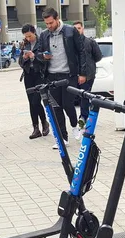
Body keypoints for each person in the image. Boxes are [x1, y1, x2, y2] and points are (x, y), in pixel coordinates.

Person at [38, 7, 87, 149]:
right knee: (56, 107)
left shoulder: (71, 31)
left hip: (68, 74)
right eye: (46, 24)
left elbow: (81, 52)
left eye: (51, 23)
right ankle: (62, 137)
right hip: (51, 75)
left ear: (57, 18)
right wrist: (43, 56)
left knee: (67, 104)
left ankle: (75, 125)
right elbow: (39, 53)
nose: (49, 26)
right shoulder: (44, 35)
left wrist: (82, 73)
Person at [19, 24, 50, 139]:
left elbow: (46, 58)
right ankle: (35, 127)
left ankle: (44, 122)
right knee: (31, 102)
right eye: (26, 36)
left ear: (34, 33)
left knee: (36, 101)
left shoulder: (41, 43)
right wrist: (25, 58)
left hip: (39, 75)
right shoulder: (25, 44)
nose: (28, 38)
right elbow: (20, 62)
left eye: (29, 36)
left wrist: (34, 56)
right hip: (28, 75)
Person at [73, 21, 102, 134]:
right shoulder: (71, 43)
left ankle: (83, 119)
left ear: (83, 29)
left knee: (84, 97)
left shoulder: (90, 42)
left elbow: (98, 56)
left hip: (88, 75)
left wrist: (89, 65)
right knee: (76, 98)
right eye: (75, 29)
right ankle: (82, 118)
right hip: (74, 75)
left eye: (79, 28)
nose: (77, 31)